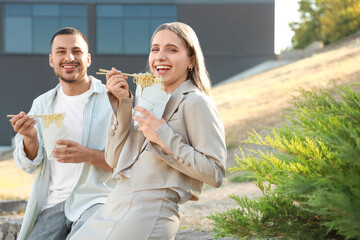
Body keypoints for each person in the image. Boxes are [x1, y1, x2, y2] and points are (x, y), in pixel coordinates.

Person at [70, 22, 227, 240]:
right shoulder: (148, 96)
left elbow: (215, 173)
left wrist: (163, 135)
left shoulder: (196, 102)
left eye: (172, 49)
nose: (160, 57)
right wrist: (123, 105)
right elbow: (114, 159)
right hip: (116, 202)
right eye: (155, 49)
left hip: (151, 210)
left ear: (191, 60)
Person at [9, 27, 117, 240]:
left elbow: (131, 163)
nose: (69, 57)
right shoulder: (42, 104)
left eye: (76, 51)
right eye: (61, 51)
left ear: (88, 58)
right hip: (53, 205)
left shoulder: (112, 100)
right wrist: (30, 138)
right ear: (51, 60)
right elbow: (28, 165)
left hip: (96, 201)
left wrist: (88, 155)